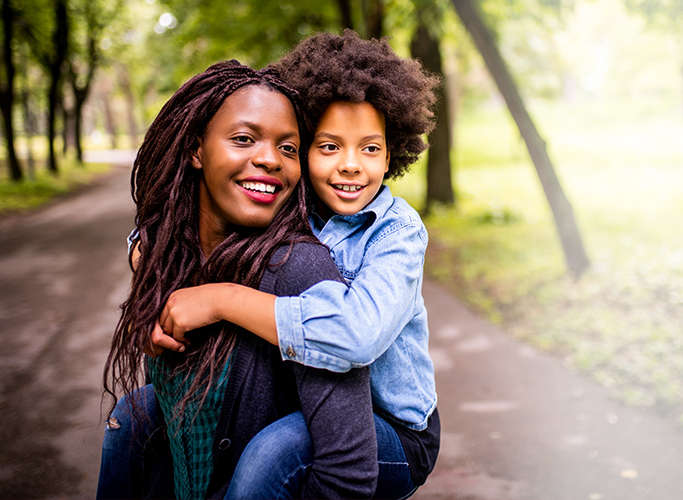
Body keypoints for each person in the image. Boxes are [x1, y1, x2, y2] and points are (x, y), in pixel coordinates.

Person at [150, 32, 441, 499]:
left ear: (391, 156)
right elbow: (189, 226)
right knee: (144, 419)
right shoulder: (291, 208)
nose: (350, 165)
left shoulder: (397, 233)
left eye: (370, 148)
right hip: (314, 403)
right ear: (303, 151)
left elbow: (357, 334)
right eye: (329, 147)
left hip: (395, 431)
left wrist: (222, 299)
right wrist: (147, 266)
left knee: (279, 448)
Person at [98, 60, 377, 499]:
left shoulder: (299, 271)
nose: (269, 159)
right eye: (244, 139)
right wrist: (146, 302)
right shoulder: (170, 255)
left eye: (288, 148)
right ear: (196, 150)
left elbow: (349, 474)